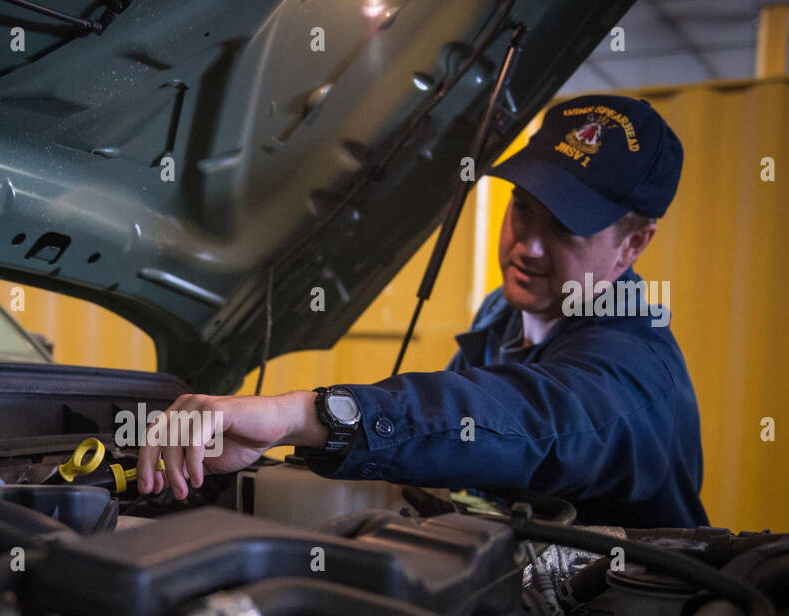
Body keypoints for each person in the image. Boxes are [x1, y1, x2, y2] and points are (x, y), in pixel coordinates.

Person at [137, 94, 708, 528]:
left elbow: (528, 420)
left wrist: (303, 416)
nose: (527, 245)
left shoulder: (637, 368)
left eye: (565, 226)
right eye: (524, 208)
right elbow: (460, 444)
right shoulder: (501, 317)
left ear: (634, 244)